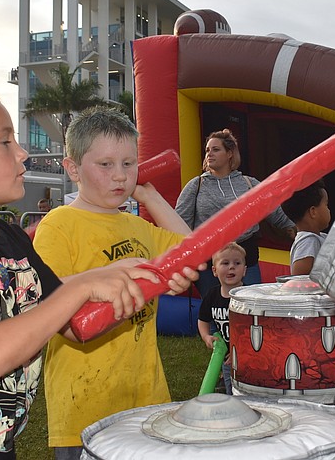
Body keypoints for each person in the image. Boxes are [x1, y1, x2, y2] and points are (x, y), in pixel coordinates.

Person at [0, 84, 197, 460]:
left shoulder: (10, 238)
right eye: (4, 141)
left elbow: (68, 321)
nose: (22, 151)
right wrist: (85, 286)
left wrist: (130, 281)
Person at [33, 106, 196, 459]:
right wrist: (110, 275)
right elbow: (45, 297)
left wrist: (149, 196)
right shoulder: (59, 224)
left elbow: (192, 251)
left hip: (144, 394)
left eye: (128, 163)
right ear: (73, 168)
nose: (120, 176)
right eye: (105, 165)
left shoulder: (137, 227)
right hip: (84, 403)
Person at [175, 128, 296, 293]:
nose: (209, 154)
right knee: (216, 315)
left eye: (216, 149)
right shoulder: (195, 186)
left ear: (230, 153)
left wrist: (300, 233)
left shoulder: (249, 184)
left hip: (247, 261)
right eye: (207, 150)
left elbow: (277, 215)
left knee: (250, 311)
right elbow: (178, 224)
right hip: (211, 267)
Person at [197, 242, 246, 395]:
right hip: (226, 356)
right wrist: (206, 336)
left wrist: (240, 351)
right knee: (230, 389)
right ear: (214, 271)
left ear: (244, 270)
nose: (232, 267)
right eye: (225, 263)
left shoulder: (247, 296)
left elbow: (254, 328)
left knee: (246, 390)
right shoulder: (212, 295)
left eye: (237, 263)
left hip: (247, 356)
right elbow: (203, 319)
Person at [281, 179, 332, 276]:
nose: (328, 210)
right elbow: (298, 279)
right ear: (313, 211)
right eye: (326, 205)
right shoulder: (308, 242)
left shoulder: (319, 237)